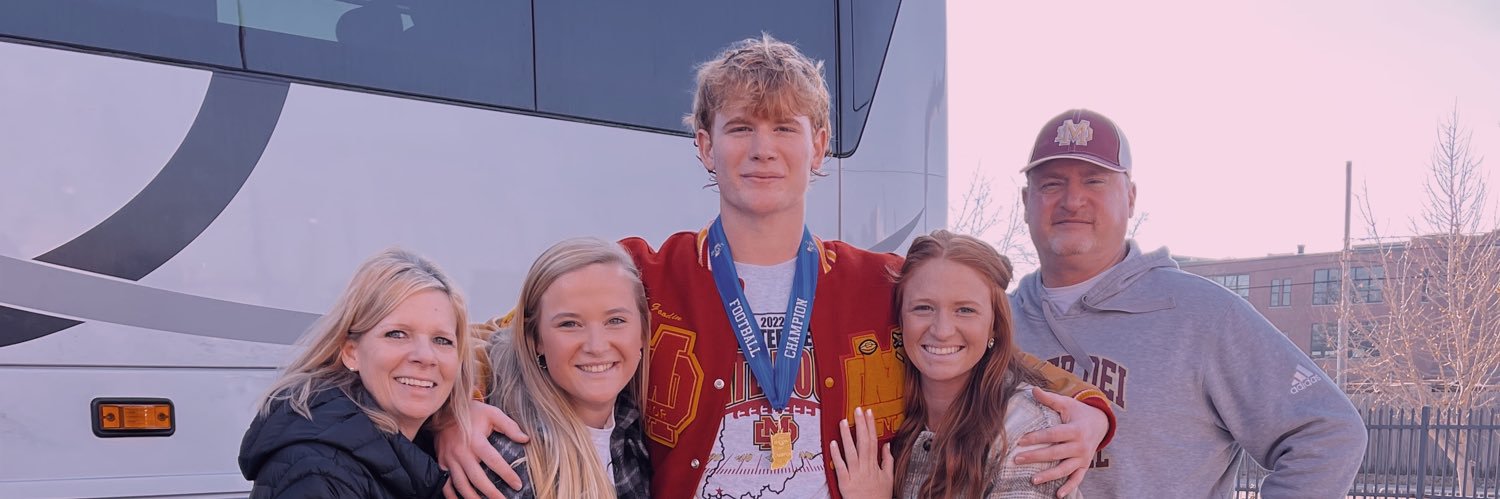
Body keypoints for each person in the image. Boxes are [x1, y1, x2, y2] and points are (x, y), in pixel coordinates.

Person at [440, 36, 1114, 499]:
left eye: (785, 128)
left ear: (818, 147)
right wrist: (456, 412)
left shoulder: (881, 282)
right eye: (741, 128)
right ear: (705, 147)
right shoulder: (646, 274)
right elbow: (493, 338)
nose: (763, 150)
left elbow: (999, 354)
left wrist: (1092, 414)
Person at [1009, 109, 1368, 497]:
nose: (1073, 200)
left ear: (1130, 198)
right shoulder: (991, 325)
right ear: (1026, 202)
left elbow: (1328, 432)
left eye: (1094, 181)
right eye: (1051, 184)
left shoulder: (1204, 315)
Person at [832, 230, 1082, 499]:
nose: (942, 331)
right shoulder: (890, 412)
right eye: (923, 308)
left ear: (994, 325)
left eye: (965, 310)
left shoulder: (1028, 427)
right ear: (900, 320)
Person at [239, 248, 475, 498]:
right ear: (351, 352)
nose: (426, 356)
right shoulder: (317, 473)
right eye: (397, 334)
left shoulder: (425, 453)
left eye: (442, 340)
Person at [479, 238, 652, 499]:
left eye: (615, 320)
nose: (596, 346)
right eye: (570, 324)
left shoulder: (635, 432)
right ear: (535, 338)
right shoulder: (510, 464)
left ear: (643, 330)